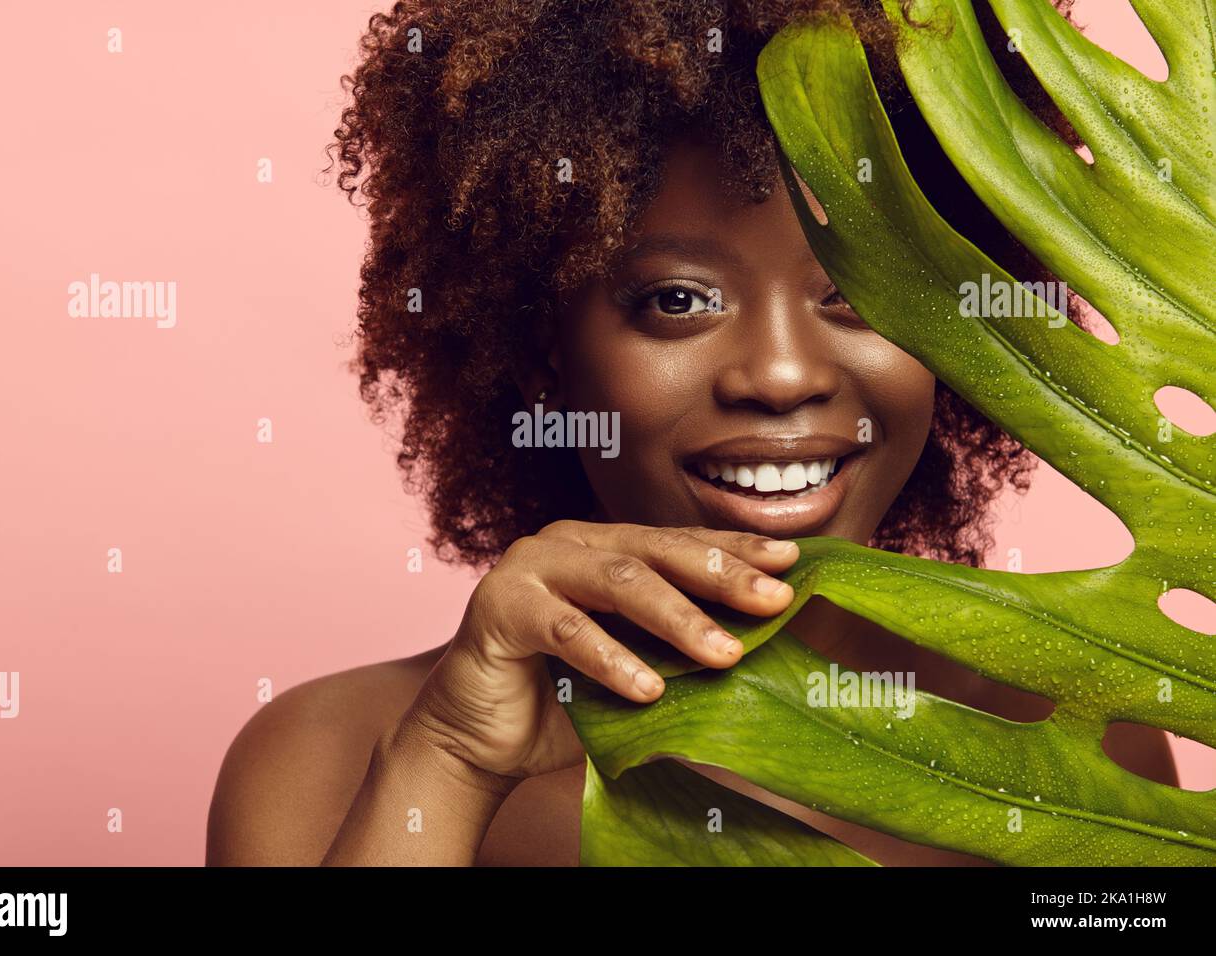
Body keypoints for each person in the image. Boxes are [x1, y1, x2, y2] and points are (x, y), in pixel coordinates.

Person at [206, 0, 1178, 866]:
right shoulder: (333, 755)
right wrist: (448, 765)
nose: (783, 372)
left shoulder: (1073, 735)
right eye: (677, 299)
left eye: (856, 292)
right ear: (544, 344)